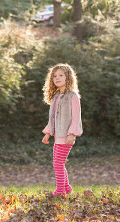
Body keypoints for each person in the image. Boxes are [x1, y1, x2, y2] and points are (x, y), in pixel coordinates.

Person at [41, 63, 82, 196]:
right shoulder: (56, 96)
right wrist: (48, 132)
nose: (57, 78)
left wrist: (72, 134)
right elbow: (52, 117)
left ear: (68, 77)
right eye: (54, 76)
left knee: (58, 164)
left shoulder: (73, 96)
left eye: (61, 75)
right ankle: (68, 189)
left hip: (67, 135)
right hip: (57, 135)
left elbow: (76, 117)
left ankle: (60, 191)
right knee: (59, 163)